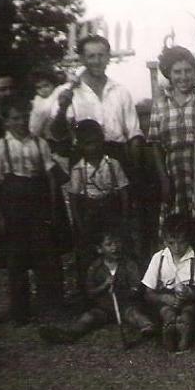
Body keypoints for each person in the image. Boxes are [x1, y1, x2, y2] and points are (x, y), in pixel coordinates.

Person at [0, 96, 63, 325]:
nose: (21, 122)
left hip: (38, 206)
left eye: (24, 117)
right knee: (16, 261)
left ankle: (50, 307)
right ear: (6, 121)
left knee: (45, 257)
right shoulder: (0, 146)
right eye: (15, 118)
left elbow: (50, 177)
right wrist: (0, 216)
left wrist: (52, 208)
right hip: (14, 209)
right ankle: (20, 311)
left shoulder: (40, 143)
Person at [147, 45, 195, 254]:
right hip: (174, 173)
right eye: (177, 72)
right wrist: (164, 180)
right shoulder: (160, 105)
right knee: (178, 224)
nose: (183, 77)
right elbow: (155, 144)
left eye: (188, 71)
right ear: (168, 74)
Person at [50, 34, 144, 174]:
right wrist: (63, 108)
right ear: (82, 59)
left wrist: (134, 167)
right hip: (83, 161)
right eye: (91, 56)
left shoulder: (121, 91)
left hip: (118, 157)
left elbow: (133, 133)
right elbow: (57, 134)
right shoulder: (65, 92)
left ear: (108, 57)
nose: (97, 61)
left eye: (101, 55)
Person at [39, 230, 155, 344]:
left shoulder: (129, 265)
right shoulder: (95, 267)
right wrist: (104, 285)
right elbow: (90, 292)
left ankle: (148, 329)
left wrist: (122, 290)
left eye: (117, 243)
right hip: (104, 307)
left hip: (126, 305)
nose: (114, 247)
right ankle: (70, 334)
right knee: (88, 317)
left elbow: (137, 287)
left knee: (135, 315)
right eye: (109, 244)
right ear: (100, 249)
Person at [69, 120, 130, 297]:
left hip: (111, 210)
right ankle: (90, 295)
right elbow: (74, 199)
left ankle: (122, 290)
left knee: (116, 247)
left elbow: (124, 191)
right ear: (81, 145)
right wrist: (79, 223)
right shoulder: (79, 169)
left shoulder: (113, 164)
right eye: (88, 143)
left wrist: (125, 216)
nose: (93, 147)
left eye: (96, 142)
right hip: (90, 214)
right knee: (88, 254)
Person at [142, 214, 195, 352]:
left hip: (193, 299)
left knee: (190, 311)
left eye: (182, 242)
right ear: (165, 241)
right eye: (171, 243)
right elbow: (148, 293)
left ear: (189, 239)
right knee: (166, 311)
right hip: (167, 300)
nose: (177, 248)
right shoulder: (158, 258)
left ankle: (185, 328)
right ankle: (169, 326)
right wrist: (164, 298)